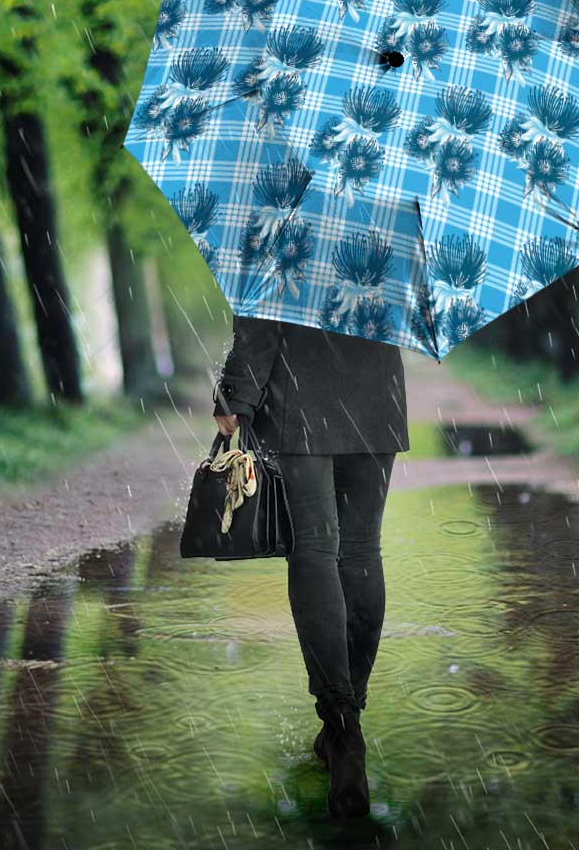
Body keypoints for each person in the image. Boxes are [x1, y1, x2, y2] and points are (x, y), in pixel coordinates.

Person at [212, 313, 409, 819]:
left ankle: (341, 724)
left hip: (302, 390)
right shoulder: (401, 230)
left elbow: (263, 302)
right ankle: (349, 723)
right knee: (362, 549)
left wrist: (237, 391)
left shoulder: (287, 226)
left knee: (315, 548)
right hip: (375, 389)